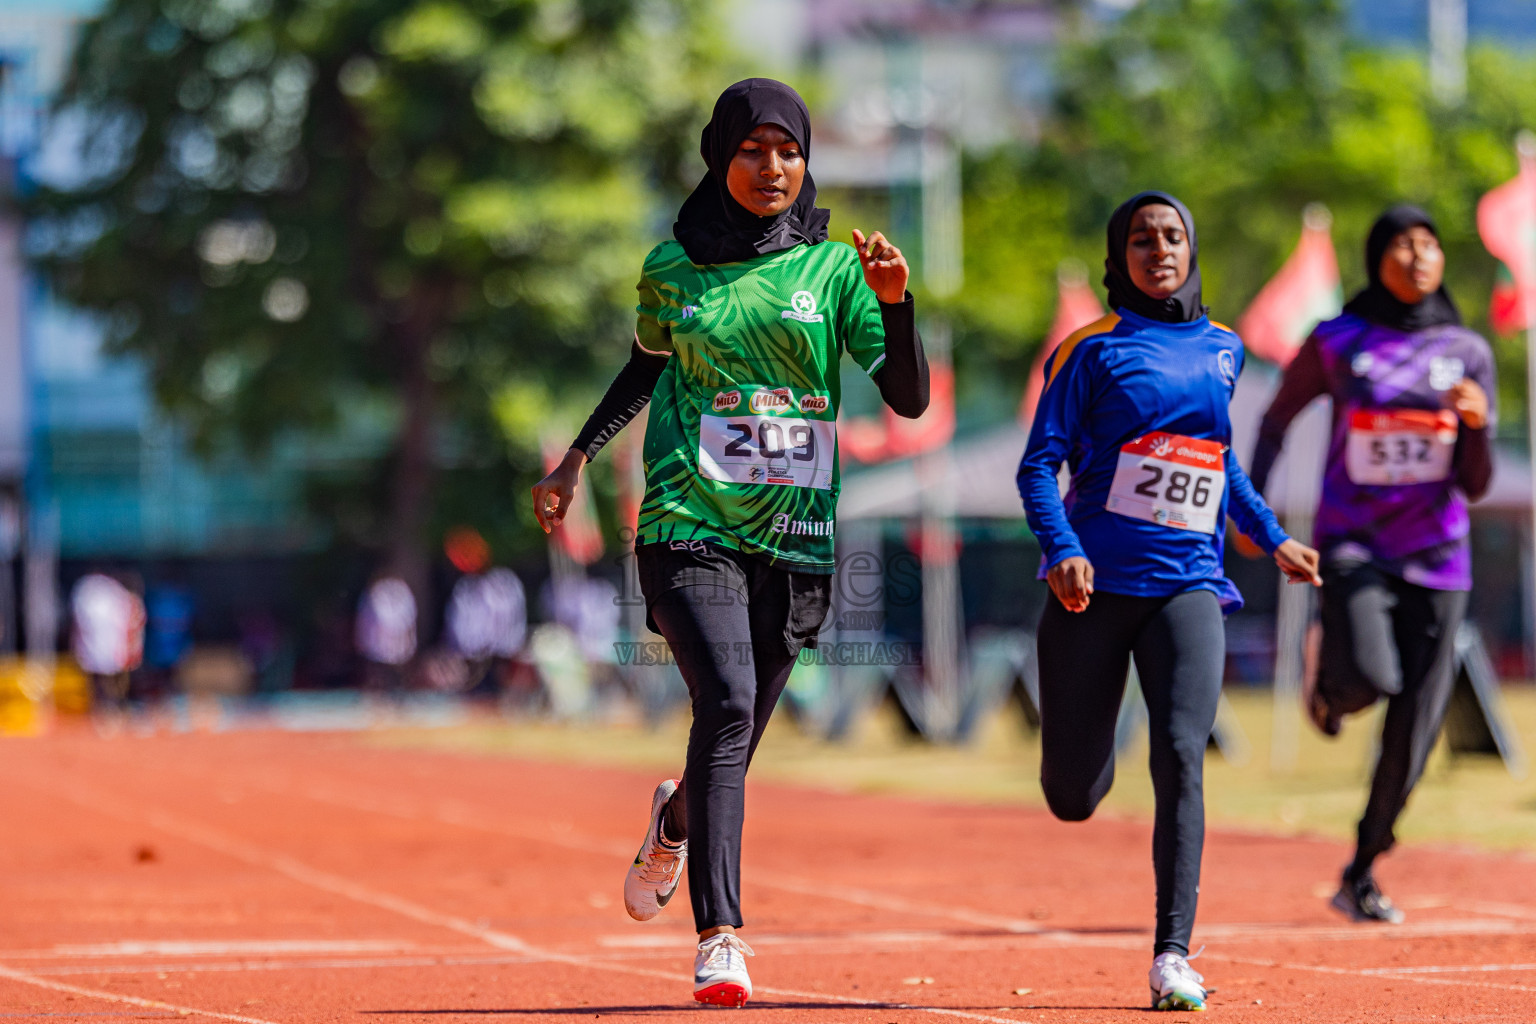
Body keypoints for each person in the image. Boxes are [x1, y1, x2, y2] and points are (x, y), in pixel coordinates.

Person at [530, 78, 928, 1007]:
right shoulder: (672, 268)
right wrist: (576, 458)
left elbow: (906, 397)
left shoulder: (837, 274)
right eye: (753, 150)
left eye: (788, 150)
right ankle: (721, 937)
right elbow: (645, 366)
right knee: (733, 700)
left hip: (794, 538)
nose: (773, 168)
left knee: (729, 730)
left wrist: (897, 303)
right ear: (720, 156)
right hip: (687, 521)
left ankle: (675, 818)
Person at [1018, 191, 1322, 1011]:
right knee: (1073, 795)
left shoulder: (1223, 349)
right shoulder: (1091, 350)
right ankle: (1086, 752)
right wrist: (1065, 549)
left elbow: (1219, 466)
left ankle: (1171, 954)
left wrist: (1272, 534)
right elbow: (1037, 464)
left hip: (1188, 583)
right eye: (1144, 238)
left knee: (1182, 758)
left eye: (1175, 236)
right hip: (1092, 594)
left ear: (1192, 249)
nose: (1161, 249)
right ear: (1121, 255)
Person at [1250, 205, 1494, 925]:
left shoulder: (1468, 352)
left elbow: (1474, 483)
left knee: (1414, 727)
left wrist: (1476, 424)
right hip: (1356, 544)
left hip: (1440, 556)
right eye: (1402, 244)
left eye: (1430, 243)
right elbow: (1274, 419)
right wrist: (1254, 510)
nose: (1418, 256)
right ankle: (1330, 685)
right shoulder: (1337, 341)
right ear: (1376, 256)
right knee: (1372, 680)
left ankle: (1361, 867)